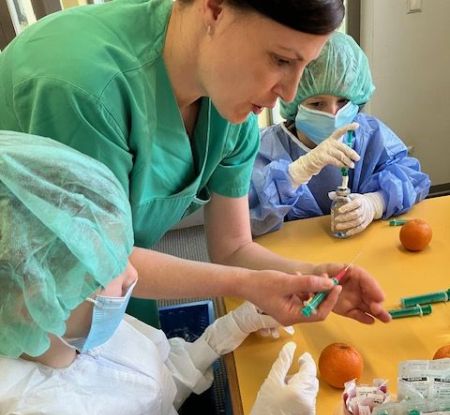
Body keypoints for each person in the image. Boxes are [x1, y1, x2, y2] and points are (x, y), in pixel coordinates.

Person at [0, 131, 320, 415]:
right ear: (34, 298)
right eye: (108, 267)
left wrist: (220, 336)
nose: (132, 274)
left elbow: (132, 387)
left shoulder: (56, 338)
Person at [0, 0, 391, 328]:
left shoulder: (228, 106)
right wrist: (246, 285)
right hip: (30, 298)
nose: (289, 93)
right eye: (281, 59)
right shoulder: (83, 90)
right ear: (216, 8)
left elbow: (233, 247)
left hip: (120, 281)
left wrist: (307, 276)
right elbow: (97, 263)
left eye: (305, 65)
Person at [249, 31, 431, 237]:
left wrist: (375, 203)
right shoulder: (265, 148)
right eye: (317, 103)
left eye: (343, 101)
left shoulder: (369, 134)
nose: (333, 114)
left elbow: (410, 177)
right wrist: (293, 175)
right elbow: (243, 219)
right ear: (292, 100)